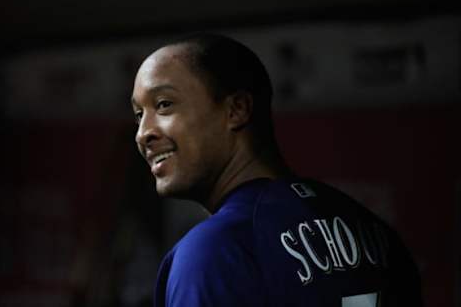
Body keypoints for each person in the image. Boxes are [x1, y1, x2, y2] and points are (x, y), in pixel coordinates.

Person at [130, 33, 423, 307]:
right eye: (139, 115)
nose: (143, 134)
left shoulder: (213, 251)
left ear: (236, 110)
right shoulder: (372, 229)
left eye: (164, 105)